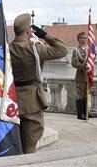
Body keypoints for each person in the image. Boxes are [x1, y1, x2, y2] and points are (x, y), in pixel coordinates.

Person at [9, 13, 68, 153]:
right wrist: (44, 35)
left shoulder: (6, 49)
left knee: (13, 143)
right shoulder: (34, 49)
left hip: (11, 100)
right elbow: (62, 49)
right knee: (29, 144)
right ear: (29, 31)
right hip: (31, 101)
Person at [71, 32, 88, 120]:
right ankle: (80, 114)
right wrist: (83, 66)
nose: (85, 39)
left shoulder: (85, 50)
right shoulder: (76, 50)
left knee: (85, 94)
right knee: (80, 94)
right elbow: (74, 63)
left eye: (85, 38)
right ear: (79, 39)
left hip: (86, 76)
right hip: (80, 75)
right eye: (83, 37)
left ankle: (86, 113)